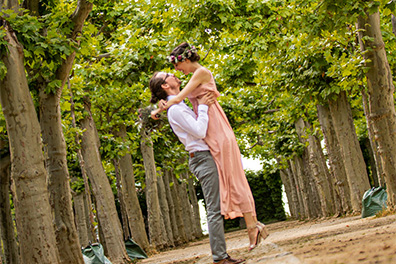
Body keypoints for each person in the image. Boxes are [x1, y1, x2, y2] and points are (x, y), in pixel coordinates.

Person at [151, 43, 268, 251]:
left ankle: (253, 227)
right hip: (210, 129)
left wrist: (158, 110)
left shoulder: (201, 73)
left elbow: (177, 98)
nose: (177, 71)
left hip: (216, 128)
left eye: (177, 66)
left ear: (185, 60)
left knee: (234, 178)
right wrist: (161, 105)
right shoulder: (192, 79)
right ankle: (254, 225)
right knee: (231, 178)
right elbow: (177, 99)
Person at [149, 71, 245, 264]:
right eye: (168, 75)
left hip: (206, 156)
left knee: (217, 206)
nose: (174, 74)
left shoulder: (177, 104)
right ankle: (219, 257)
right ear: (165, 86)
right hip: (202, 158)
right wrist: (202, 108)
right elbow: (200, 131)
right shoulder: (176, 109)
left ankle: (221, 255)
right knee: (214, 208)